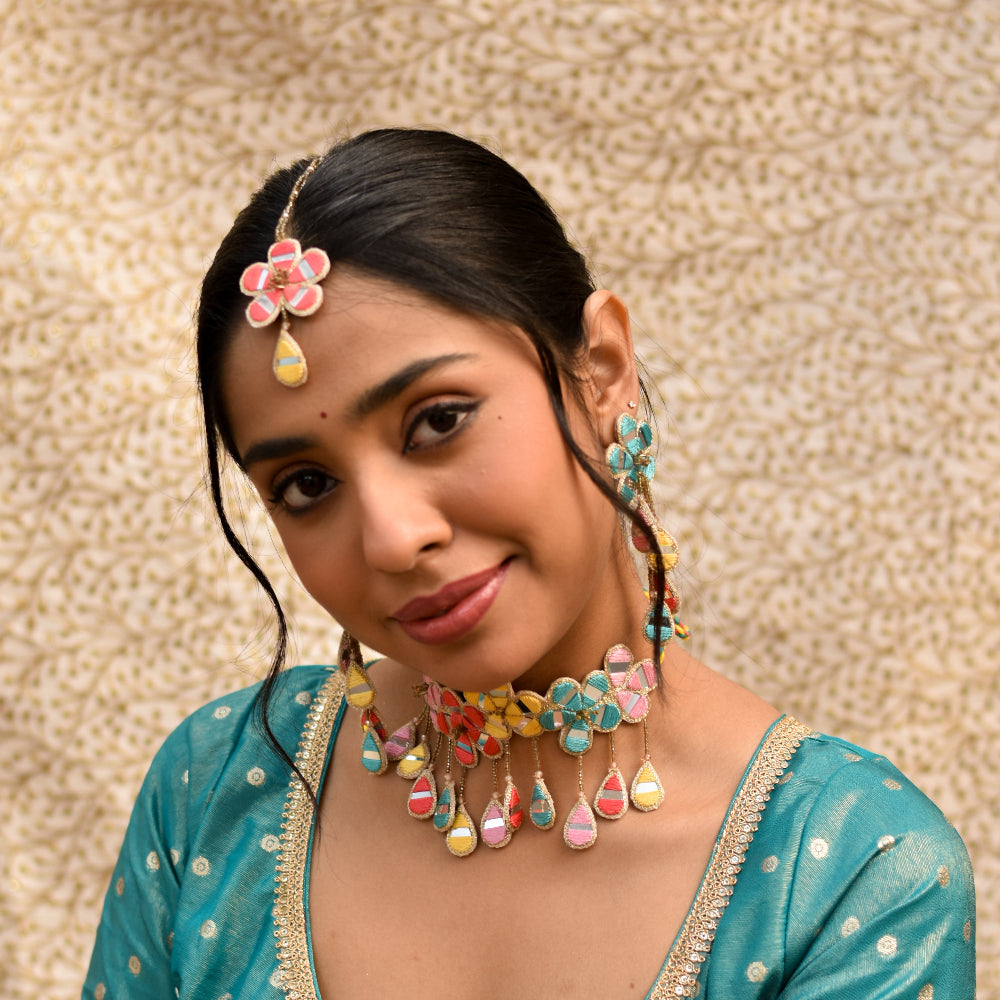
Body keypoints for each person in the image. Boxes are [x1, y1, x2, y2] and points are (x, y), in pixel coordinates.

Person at [82, 128, 975, 1000]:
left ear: (604, 371)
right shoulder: (221, 793)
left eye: (438, 420)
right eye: (307, 484)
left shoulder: (851, 877)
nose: (393, 539)